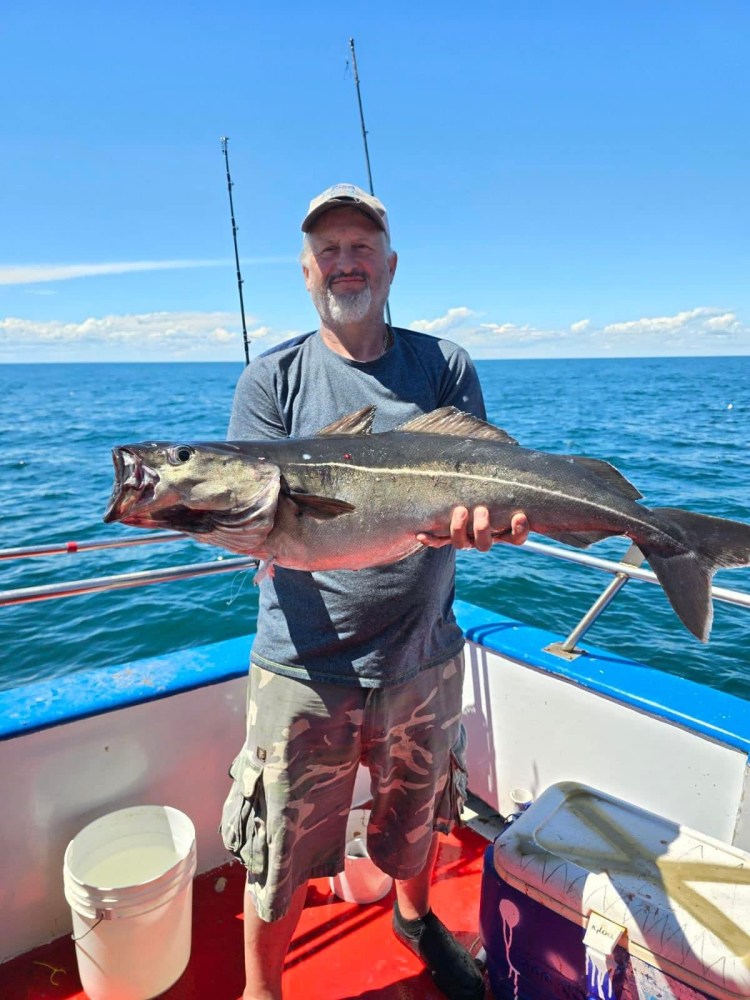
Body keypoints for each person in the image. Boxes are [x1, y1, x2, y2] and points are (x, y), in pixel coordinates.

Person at [222, 183, 528, 1000]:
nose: (346, 263)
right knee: (277, 849)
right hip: (300, 667)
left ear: (390, 265)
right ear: (306, 269)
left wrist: (482, 524)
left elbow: (482, 478)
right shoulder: (271, 381)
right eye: (330, 249)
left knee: (421, 819)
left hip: (423, 650)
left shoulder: (442, 366)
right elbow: (249, 512)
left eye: (362, 246)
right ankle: (264, 989)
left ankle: (415, 920)